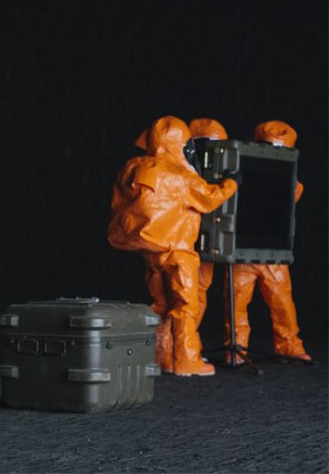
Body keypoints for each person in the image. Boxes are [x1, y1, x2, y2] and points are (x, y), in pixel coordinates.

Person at [107, 116, 238, 376]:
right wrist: (231, 183)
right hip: (178, 253)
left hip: (150, 251)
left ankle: (161, 358)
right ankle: (187, 361)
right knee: (185, 306)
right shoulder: (180, 175)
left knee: (161, 305)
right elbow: (209, 198)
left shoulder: (133, 167)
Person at [225, 120, 311, 364]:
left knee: (282, 304)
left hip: (273, 253)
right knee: (236, 305)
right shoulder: (240, 172)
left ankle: (289, 346)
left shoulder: (291, 183)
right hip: (242, 252)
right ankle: (237, 348)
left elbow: (289, 195)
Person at [188, 118, 230, 329]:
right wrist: (230, 184)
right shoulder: (184, 171)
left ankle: (185, 342)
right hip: (183, 242)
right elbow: (206, 198)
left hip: (202, 240)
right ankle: (175, 345)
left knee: (197, 291)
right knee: (182, 296)